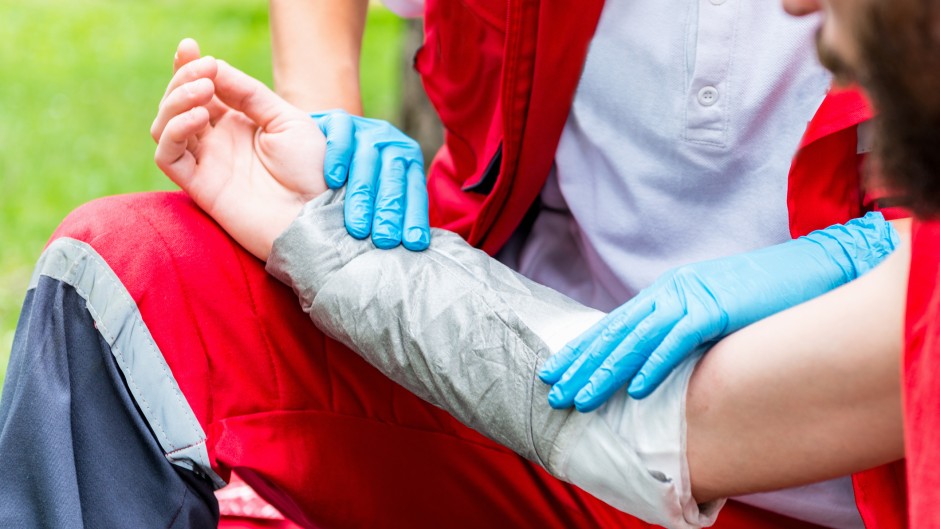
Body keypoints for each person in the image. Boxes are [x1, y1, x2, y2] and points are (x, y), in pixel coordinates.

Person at [0, 3, 910, 529]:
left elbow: (661, 434)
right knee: (125, 269)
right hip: (534, 421)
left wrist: (894, 259)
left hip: (810, 471)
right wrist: (324, 146)